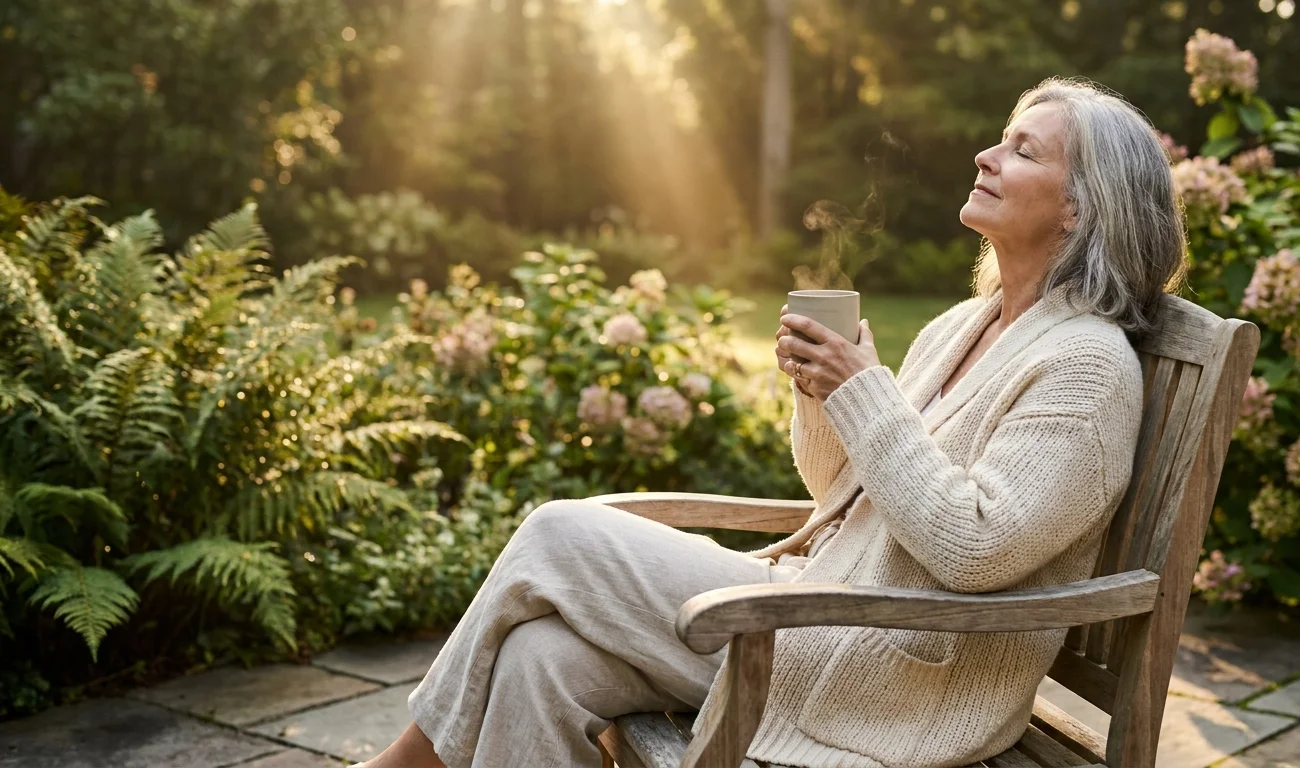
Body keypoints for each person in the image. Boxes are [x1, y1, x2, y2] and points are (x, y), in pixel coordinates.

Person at [354, 76, 1186, 768]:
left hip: (888, 668)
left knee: (558, 534)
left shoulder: (1086, 366)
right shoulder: (960, 328)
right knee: (542, 661)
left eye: (1023, 150)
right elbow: (842, 494)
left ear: (1080, 209)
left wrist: (865, 393)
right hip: (818, 611)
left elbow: (974, 549)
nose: (986, 154)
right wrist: (827, 395)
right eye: (1002, 138)